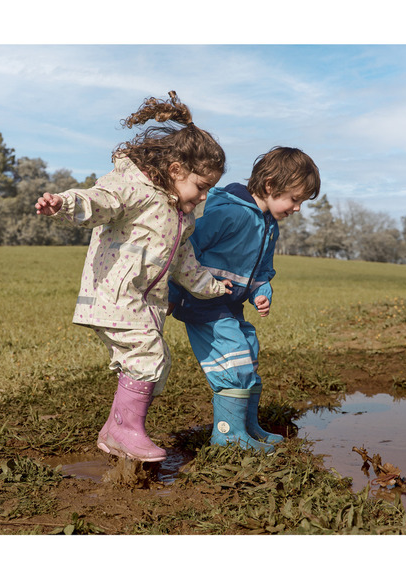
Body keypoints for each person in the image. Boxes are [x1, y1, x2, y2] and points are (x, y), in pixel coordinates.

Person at [35, 91, 232, 463]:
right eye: (201, 186)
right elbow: (98, 200)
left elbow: (184, 262)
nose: (203, 197)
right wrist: (64, 203)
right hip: (114, 296)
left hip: (144, 305)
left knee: (158, 366)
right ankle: (126, 431)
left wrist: (213, 287)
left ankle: (115, 429)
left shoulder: (181, 215)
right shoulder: (133, 187)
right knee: (147, 355)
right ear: (176, 171)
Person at [168, 146, 321, 453]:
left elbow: (261, 270)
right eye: (295, 199)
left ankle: (247, 428)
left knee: (248, 352)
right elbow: (187, 249)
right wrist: (180, 292)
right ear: (269, 186)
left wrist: (262, 293)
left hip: (229, 304)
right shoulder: (229, 211)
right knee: (234, 358)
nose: (297, 208)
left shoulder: (269, 226)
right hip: (202, 302)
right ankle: (228, 437)